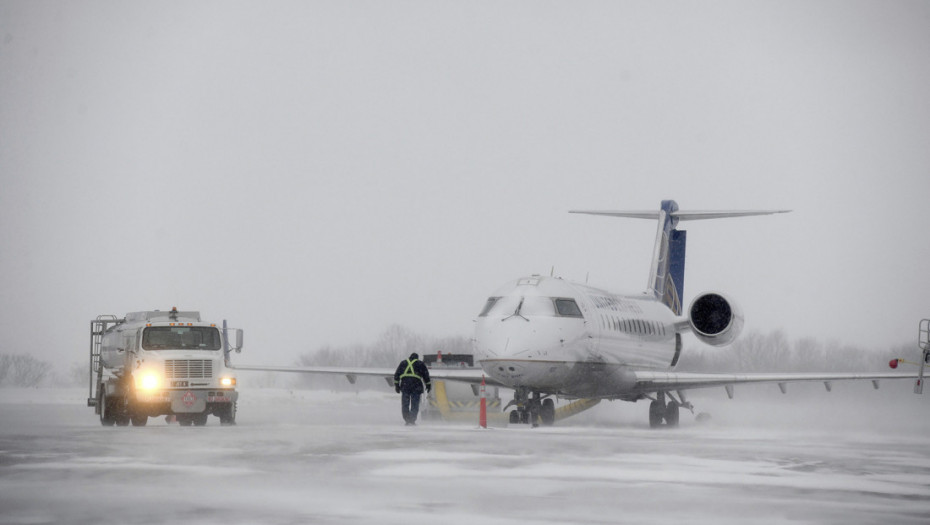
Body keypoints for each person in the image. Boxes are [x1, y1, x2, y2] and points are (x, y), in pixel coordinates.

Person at [393, 352, 431, 426]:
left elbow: (397, 375)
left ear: (410, 357)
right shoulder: (420, 363)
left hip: (405, 385)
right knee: (415, 404)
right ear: (417, 358)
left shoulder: (403, 363)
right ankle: (412, 420)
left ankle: (407, 419)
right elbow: (426, 375)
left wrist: (397, 385)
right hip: (416, 386)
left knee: (405, 404)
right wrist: (428, 385)